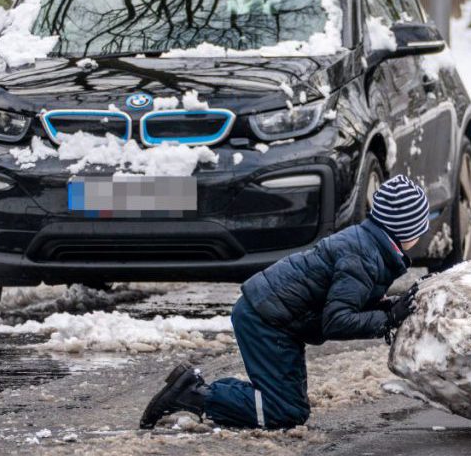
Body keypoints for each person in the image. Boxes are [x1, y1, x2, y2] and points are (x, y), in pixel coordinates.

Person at [139, 175, 430, 430]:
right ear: (405, 229)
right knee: (283, 412)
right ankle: (193, 396)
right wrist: (389, 319)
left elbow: (342, 303)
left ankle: (194, 388)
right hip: (265, 320)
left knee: (286, 406)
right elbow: (337, 320)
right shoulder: (363, 257)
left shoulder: (366, 246)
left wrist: (388, 308)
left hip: (275, 317)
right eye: (421, 226)